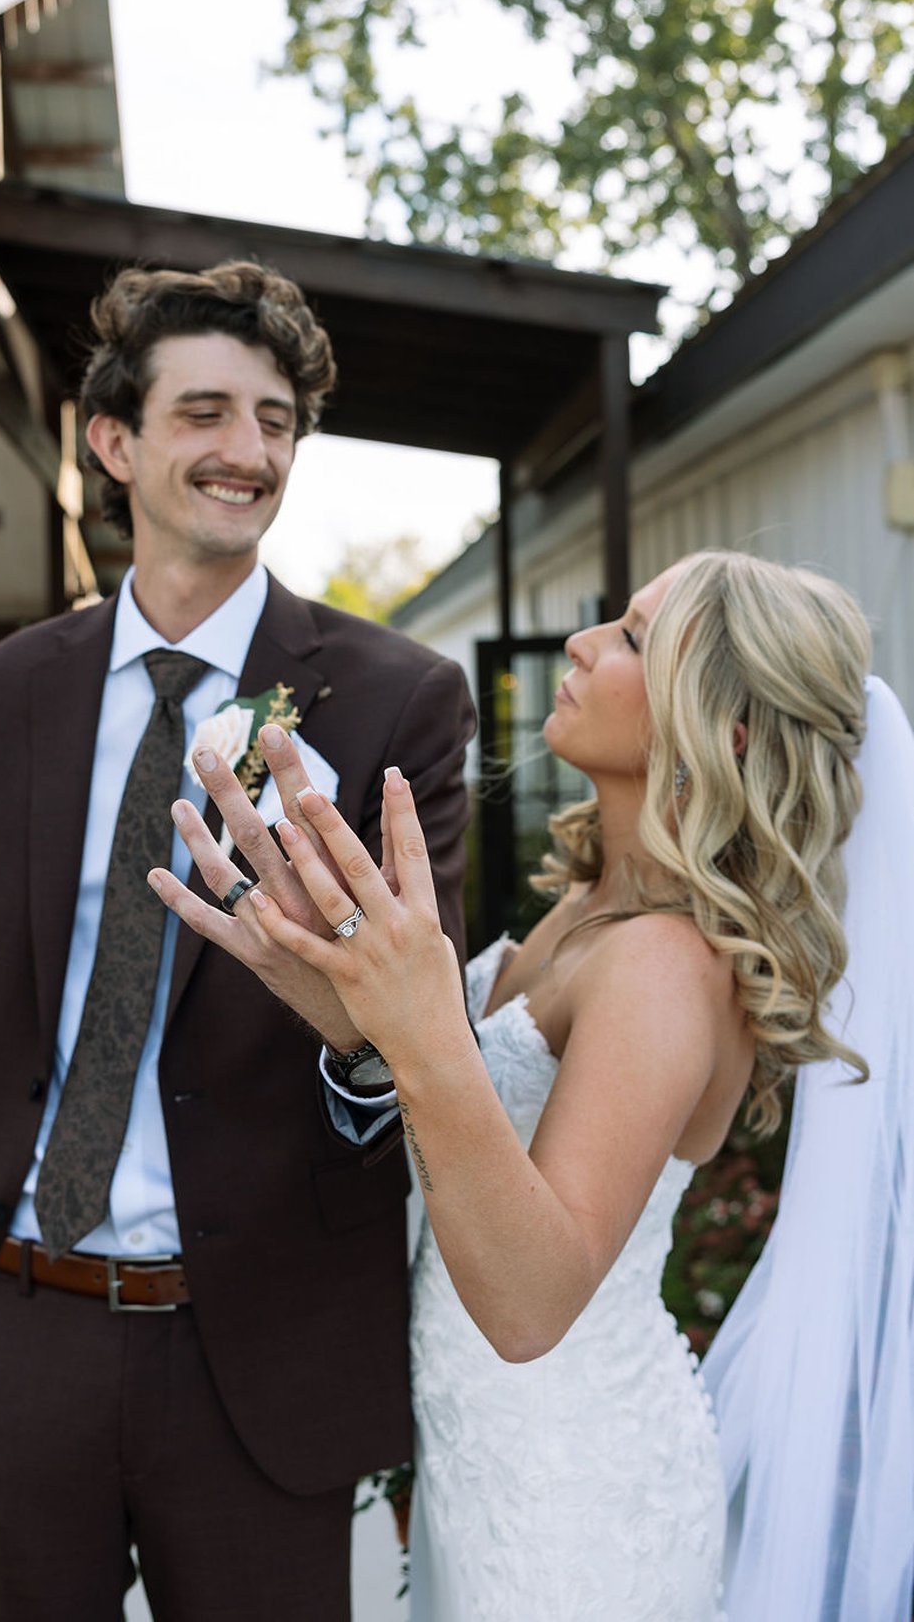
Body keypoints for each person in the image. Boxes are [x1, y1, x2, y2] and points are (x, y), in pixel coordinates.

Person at [0, 259, 475, 1622]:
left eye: (274, 422)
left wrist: (350, 1020)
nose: (246, 451)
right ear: (115, 441)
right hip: (12, 1331)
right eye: (206, 411)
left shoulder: (395, 703)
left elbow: (409, 1035)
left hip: (256, 1353)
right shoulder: (2, 698)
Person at [159, 548, 901, 1620]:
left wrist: (417, 1034)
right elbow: (454, 1119)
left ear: (724, 725)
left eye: (634, 639)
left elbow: (526, 1307)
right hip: (491, 1466)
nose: (580, 644)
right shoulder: (591, 905)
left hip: (575, 1510)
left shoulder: (660, 963)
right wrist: (344, 1007)